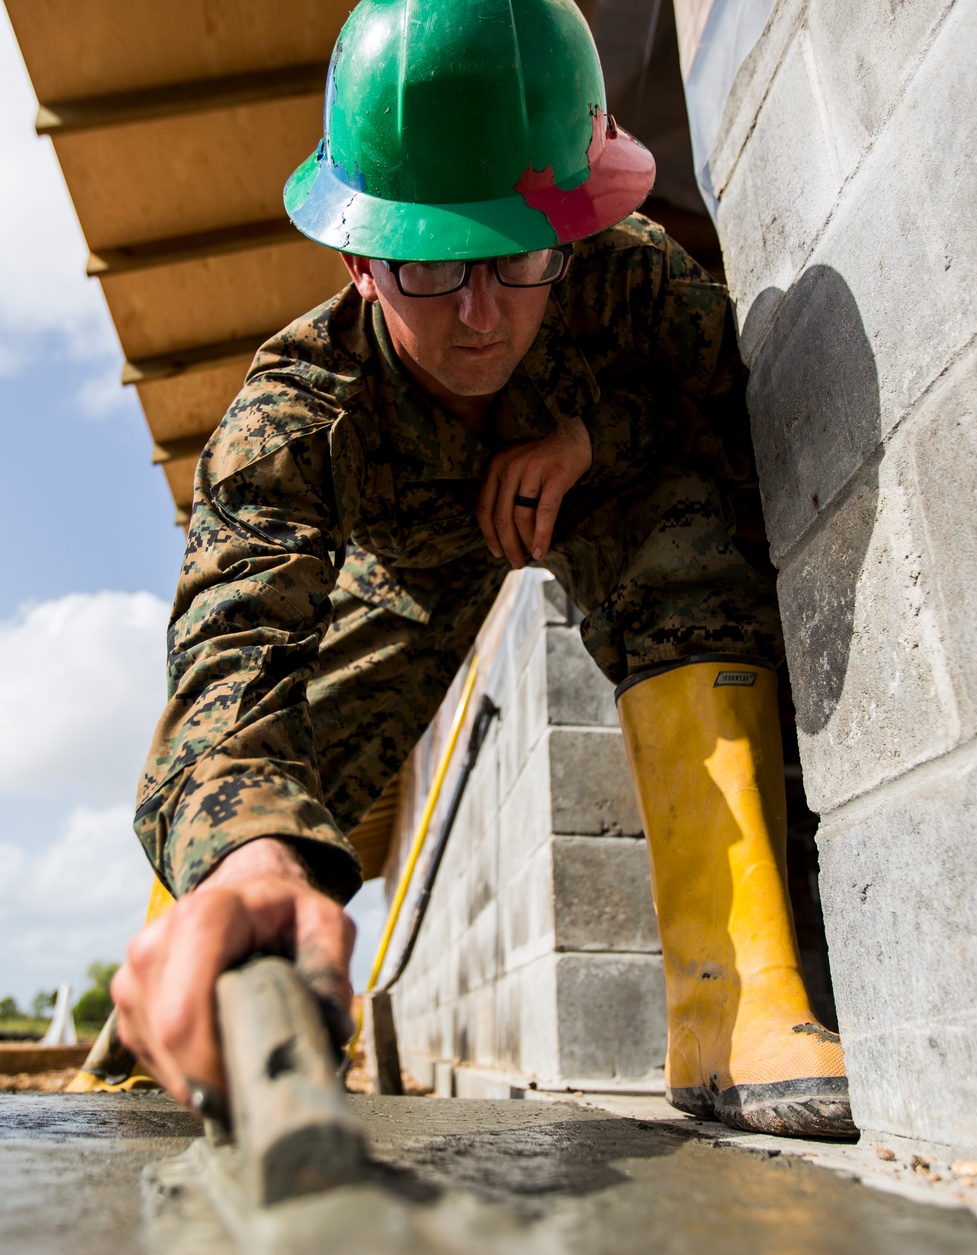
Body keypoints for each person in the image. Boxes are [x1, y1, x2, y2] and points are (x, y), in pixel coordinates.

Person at [112, 0, 854, 1138]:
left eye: (515, 258)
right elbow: (229, 665)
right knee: (261, 793)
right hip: (406, 581)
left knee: (682, 524)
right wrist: (255, 863)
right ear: (360, 260)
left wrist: (590, 438)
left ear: (569, 228)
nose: (479, 314)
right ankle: (168, 1021)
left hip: (594, 502)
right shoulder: (291, 419)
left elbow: (725, 403)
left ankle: (733, 999)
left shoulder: (625, 277)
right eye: (429, 267)